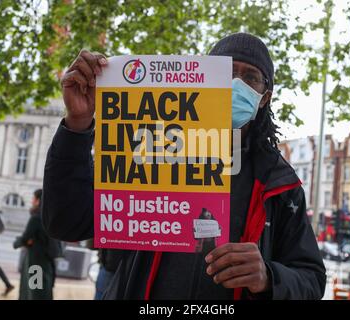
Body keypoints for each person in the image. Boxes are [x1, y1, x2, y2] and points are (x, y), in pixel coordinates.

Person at [42, 32, 326, 300]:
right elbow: (65, 222)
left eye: (250, 77)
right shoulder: (150, 151)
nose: (236, 83)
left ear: (265, 97)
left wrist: (269, 277)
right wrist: (77, 125)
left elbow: (311, 279)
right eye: (226, 72)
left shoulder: (280, 186)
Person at [13, 189, 55, 300]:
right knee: (42, 289)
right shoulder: (50, 216)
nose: (31, 201)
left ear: (38, 201)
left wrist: (17, 243)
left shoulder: (36, 218)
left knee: (35, 291)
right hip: (46, 260)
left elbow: (25, 237)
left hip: (35, 261)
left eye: (33, 198)